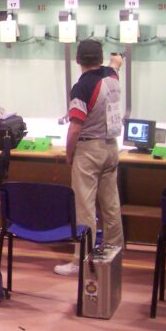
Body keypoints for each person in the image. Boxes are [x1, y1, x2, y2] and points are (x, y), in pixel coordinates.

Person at [54, 40, 124, 276]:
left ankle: (82, 259)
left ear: (78, 60)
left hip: (89, 149)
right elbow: (116, 64)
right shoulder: (111, 77)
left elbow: (75, 127)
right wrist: (116, 60)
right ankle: (114, 253)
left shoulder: (82, 87)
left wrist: (69, 153)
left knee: (84, 207)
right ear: (100, 59)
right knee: (111, 206)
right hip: (111, 147)